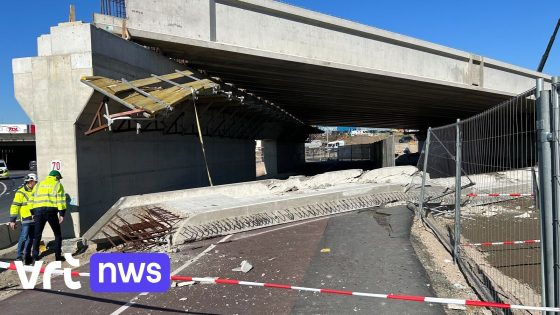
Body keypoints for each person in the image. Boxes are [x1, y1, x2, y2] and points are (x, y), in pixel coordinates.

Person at [30, 170, 66, 261]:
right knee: (57, 234)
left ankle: (35, 257)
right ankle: (58, 257)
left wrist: (32, 212)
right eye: (59, 179)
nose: (59, 180)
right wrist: (62, 214)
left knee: (37, 235)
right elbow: (61, 200)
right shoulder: (57, 185)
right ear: (56, 177)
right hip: (51, 211)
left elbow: (31, 199)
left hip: (38, 211)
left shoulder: (38, 184)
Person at [9, 173, 38, 264]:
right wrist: (12, 220)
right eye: (35, 182)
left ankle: (27, 256)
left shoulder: (35, 191)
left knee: (31, 239)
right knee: (24, 237)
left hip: (34, 219)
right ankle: (19, 256)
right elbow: (15, 206)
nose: (36, 183)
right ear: (30, 181)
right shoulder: (20, 192)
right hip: (26, 219)